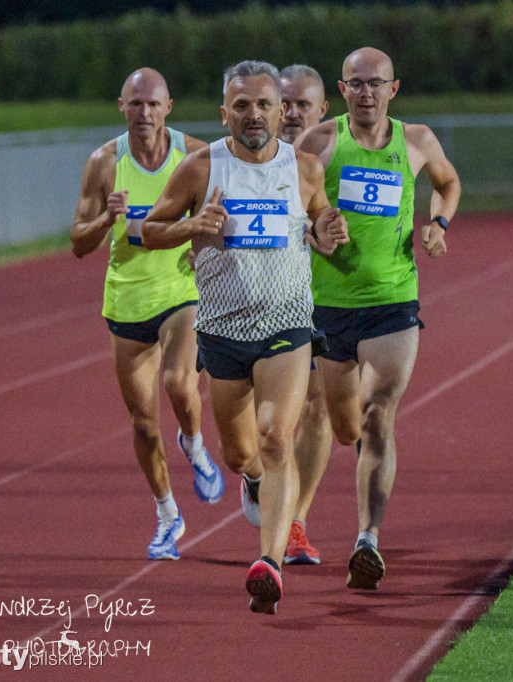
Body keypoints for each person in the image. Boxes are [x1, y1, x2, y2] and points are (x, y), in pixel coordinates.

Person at [141, 60, 349, 614]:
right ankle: (253, 480)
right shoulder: (199, 167)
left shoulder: (303, 168)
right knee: (241, 454)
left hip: (286, 326)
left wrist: (329, 232)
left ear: (282, 112)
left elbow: (323, 224)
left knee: (278, 438)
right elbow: (149, 230)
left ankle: (270, 564)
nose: (253, 114)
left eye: (263, 104)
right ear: (224, 112)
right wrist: (190, 227)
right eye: (241, 105)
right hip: (223, 333)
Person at [295, 46, 461, 590]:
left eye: (377, 83)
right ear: (341, 91)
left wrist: (438, 223)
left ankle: (367, 537)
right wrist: (315, 234)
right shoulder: (318, 144)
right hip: (330, 307)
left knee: (377, 414)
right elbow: (288, 207)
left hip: (393, 302)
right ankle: (357, 490)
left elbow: (448, 183)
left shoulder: (417, 142)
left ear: (394, 89)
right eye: (356, 83)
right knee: (345, 428)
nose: (367, 92)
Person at [70, 67, 224, 562]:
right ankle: (167, 517)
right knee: (142, 425)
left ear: (169, 107)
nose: (144, 113)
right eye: (135, 104)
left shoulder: (195, 155)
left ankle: (196, 446)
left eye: (153, 104)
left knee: (179, 383)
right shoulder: (103, 163)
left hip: (181, 291)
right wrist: (107, 219)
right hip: (127, 301)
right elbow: (77, 243)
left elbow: (221, 214)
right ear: (121, 107)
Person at [277, 63, 332, 565]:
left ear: (323, 111)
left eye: (302, 105)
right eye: (285, 103)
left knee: (319, 409)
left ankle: (296, 522)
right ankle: (259, 475)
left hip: (324, 303)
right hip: (255, 308)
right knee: (258, 430)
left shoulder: (337, 161)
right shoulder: (241, 156)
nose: (292, 113)